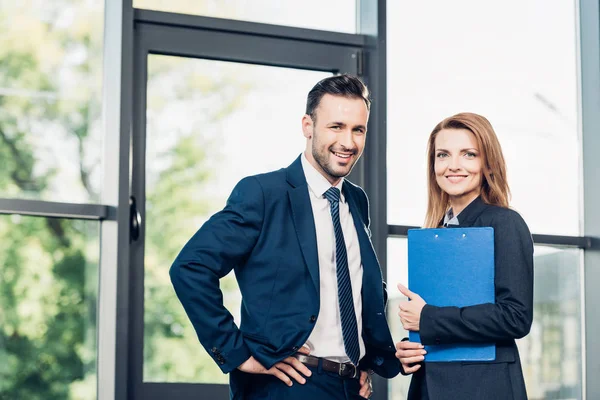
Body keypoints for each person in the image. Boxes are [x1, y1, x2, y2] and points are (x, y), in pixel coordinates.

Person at [170, 74, 401, 400]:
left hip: (351, 387)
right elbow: (190, 267)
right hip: (290, 386)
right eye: (336, 127)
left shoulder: (357, 201)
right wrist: (239, 355)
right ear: (308, 126)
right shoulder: (264, 194)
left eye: (357, 129)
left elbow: (355, 285)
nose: (348, 142)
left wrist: (364, 361)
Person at [395, 112, 534, 400]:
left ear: (487, 163)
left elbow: (516, 317)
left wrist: (427, 318)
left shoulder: (505, 223)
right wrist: (411, 348)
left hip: (482, 387)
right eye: (443, 155)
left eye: (469, 154)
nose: (453, 166)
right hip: (429, 386)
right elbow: (436, 319)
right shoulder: (436, 232)